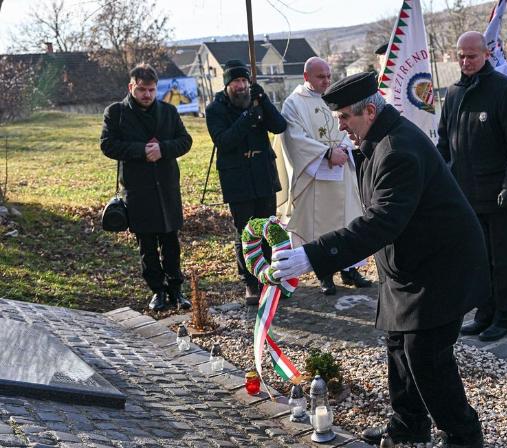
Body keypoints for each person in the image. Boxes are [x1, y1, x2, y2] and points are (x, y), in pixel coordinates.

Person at [271, 72, 488, 448]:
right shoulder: (378, 139)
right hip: (410, 265)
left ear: (369, 111)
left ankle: (464, 434)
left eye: (345, 121)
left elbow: (381, 221)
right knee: (397, 345)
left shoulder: (397, 149)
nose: (342, 130)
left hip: (441, 267)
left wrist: (314, 256)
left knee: (426, 356)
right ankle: (409, 424)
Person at [437, 31, 507, 342]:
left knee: (503, 261)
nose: (465, 61)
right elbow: (443, 144)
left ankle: (505, 318)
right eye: (461, 56)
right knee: (478, 260)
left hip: (498, 195)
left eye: (472, 56)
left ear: (486, 55)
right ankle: (484, 313)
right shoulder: (452, 94)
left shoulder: (504, 90)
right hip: (465, 195)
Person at [100, 63, 193, 312]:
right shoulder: (116, 113)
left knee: (171, 242)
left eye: (151, 90)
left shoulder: (168, 111)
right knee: (147, 245)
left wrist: (163, 149)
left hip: (167, 186)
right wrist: (141, 151)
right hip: (138, 188)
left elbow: (185, 141)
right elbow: (108, 145)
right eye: (142, 90)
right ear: (131, 87)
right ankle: (157, 291)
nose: (147, 95)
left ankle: (176, 289)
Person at [278, 57, 372, 295]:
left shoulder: (335, 97)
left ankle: (350, 269)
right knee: (322, 226)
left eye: (329, 76)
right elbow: (294, 139)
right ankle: (325, 273)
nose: (327, 81)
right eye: (321, 77)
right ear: (306, 76)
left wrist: (346, 148)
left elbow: (346, 123)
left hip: (343, 170)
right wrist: (327, 153)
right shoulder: (293, 104)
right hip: (316, 176)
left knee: (348, 222)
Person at [205, 59, 288, 304]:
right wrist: (248, 116)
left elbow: (279, 126)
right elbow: (224, 141)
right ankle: (251, 282)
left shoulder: (256, 99)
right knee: (246, 232)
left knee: (268, 228)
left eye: (245, 81)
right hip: (237, 179)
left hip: (262, 174)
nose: (242, 86)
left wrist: (264, 102)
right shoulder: (215, 110)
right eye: (237, 82)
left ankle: (270, 277)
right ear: (228, 84)